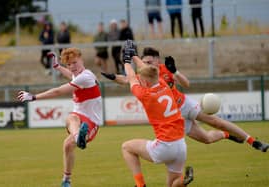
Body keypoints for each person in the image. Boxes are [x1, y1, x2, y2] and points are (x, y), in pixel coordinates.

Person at [102, 43, 269, 152]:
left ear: (157, 60)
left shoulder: (163, 69)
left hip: (184, 104)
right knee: (207, 139)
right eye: (144, 62)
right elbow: (125, 79)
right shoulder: (143, 76)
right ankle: (227, 135)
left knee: (215, 121)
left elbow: (186, 84)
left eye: (150, 62)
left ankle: (253, 141)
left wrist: (175, 71)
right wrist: (112, 76)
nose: (147, 65)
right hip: (174, 118)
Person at [17, 48, 103, 187]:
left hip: (92, 123)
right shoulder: (79, 75)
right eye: (69, 64)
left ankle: (78, 137)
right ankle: (66, 180)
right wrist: (58, 67)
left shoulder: (85, 76)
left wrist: (34, 97)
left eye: (74, 62)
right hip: (80, 122)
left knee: (71, 118)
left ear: (82, 60)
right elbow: (71, 75)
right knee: (67, 144)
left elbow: (58, 91)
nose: (72, 67)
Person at [121, 40, 194, 187]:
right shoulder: (163, 84)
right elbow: (148, 71)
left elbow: (131, 78)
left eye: (142, 79)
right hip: (181, 145)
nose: (140, 79)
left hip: (165, 146)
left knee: (126, 147)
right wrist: (135, 56)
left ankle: (140, 185)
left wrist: (126, 61)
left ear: (146, 82)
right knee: (172, 184)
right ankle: (182, 180)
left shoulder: (145, 95)